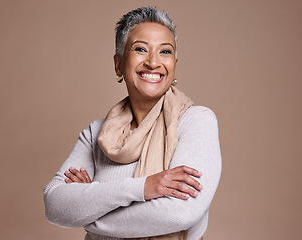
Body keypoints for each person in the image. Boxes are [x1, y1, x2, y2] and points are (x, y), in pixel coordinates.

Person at [43, 6, 221, 240]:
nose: (153, 62)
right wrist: (144, 187)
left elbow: (178, 213)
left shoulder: (196, 121)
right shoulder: (95, 134)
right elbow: (55, 205)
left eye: (165, 52)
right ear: (119, 64)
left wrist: (88, 211)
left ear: (174, 65)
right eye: (140, 49)